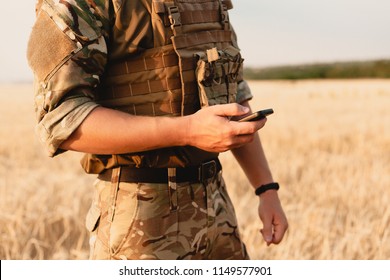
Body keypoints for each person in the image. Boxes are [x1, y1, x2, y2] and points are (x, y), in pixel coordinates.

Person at [27, 0, 288, 260]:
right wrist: (187, 131)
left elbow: (234, 98)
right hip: (140, 218)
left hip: (218, 209)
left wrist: (266, 189)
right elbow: (63, 120)